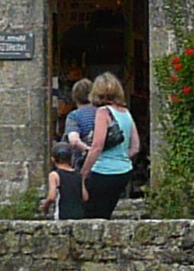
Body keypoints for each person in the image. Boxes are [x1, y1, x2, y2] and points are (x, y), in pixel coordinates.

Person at [77, 72, 141, 219]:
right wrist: (120, 157)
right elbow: (135, 147)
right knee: (105, 214)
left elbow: (97, 146)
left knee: (90, 215)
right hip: (124, 171)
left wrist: (84, 173)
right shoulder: (126, 113)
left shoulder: (103, 112)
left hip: (103, 171)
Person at [50, 78, 96, 219]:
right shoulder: (102, 113)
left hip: (81, 163)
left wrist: (88, 150)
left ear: (74, 96)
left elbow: (74, 140)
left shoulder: (75, 116)